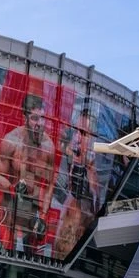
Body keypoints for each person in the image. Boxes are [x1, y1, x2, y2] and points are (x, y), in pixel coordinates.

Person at [0, 94, 57, 255]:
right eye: (35, 118)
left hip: (33, 209)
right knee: (4, 256)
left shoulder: (48, 147)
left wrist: (43, 215)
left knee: (35, 260)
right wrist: (12, 188)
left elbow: (50, 184)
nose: (40, 123)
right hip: (10, 205)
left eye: (42, 118)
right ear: (25, 118)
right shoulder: (11, 141)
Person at [53, 103, 101, 256]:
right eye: (76, 131)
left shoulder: (91, 175)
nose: (77, 137)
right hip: (58, 246)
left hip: (69, 248)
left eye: (83, 133)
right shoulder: (68, 159)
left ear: (92, 139)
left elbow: (92, 210)